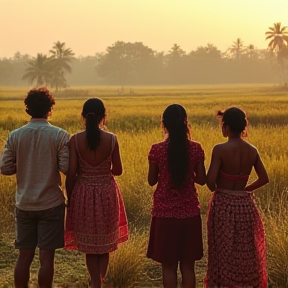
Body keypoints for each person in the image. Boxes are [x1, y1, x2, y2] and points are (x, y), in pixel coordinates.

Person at [0, 88, 69, 288]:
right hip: (52, 203)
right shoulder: (60, 135)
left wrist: (22, 164)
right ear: (50, 109)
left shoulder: (15, 135)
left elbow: (4, 167)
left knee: (24, 256)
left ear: (27, 109)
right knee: (47, 258)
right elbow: (65, 167)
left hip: (25, 203)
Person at [64, 98, 128, 288]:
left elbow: (71, 173)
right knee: (104, 244)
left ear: (83, 117)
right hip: (106, 193)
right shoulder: (111, 139)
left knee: (90, 246)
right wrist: (102, 170)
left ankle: (95, 282)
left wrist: (70, 197)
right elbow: (118, 170)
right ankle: (98, 280)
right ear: (103, 117)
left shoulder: (75, 140)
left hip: (83, 193)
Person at [204, 106, 269, 288]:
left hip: (223, 205)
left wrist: (222, 187)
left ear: (226, 127)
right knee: (246, 251)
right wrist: (244, 190)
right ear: (242, 126)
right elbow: (264, 178)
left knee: (223, 252)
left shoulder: (220, 149)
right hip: (245, 206)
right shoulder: (252, 150)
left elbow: (210, 183)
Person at [147, 104, 206, 288]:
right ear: (185, 123)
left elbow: (151, 180)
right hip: (190, 214)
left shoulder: (156, 150)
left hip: (165, 215)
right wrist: (189, 175)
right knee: (188, 267)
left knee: (169, 267)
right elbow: (203, 180)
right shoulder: (196, 148)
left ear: (164, 124)